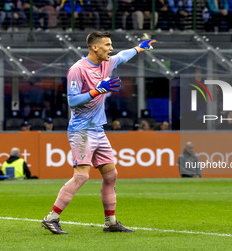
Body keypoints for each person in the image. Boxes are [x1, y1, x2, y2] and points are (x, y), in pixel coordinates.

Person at [41, 31, 156, 234]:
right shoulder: (77, 69)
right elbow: (72, 101)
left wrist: (139, 48)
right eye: (107, 45)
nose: (111, 49)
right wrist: (97, 90)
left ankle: (110, 222)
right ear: (94, 47)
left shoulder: (107, 63)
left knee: (111, 175)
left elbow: (122, 56)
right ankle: (52, 218)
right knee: (81, 176)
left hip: (97, 129)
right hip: (82, 130)